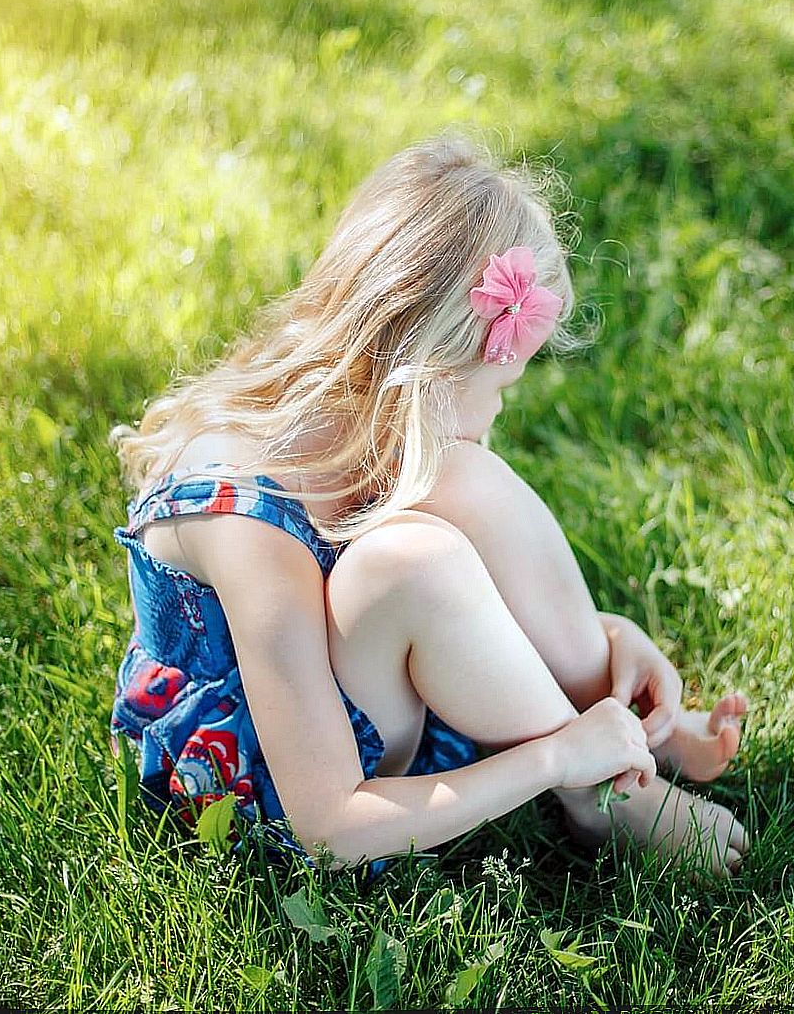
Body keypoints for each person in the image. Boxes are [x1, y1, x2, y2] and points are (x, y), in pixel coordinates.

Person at [107, 130, 750, 879]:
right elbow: (327, 823)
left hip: (355, 684)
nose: (497, 417)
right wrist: (551, 760)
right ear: (431, 378)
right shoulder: (249, 524)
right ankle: (598, 790)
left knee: (466, 481)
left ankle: (620, 718)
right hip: (273, 774)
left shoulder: (370, 413)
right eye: (499, 392)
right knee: (411, 563)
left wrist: (605, 640)